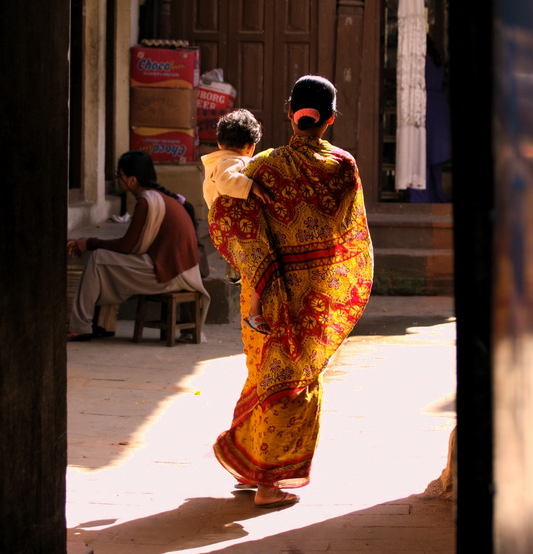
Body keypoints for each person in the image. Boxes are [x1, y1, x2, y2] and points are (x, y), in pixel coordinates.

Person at [209, 75, 374, 508]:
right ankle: (268, 482)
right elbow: (348, 236)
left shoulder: (262, 166)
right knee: (297, 381)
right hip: (313, 295)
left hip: (263, 291)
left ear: (289, 112)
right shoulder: (343, 165)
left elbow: (227, 216)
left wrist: (257, 270)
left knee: (263, 372)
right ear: (331, 119)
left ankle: (250, 467)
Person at [67, 150, 211, 341]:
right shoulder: (160, 197)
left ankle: (81, 326)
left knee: (98, 258)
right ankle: (103, 324)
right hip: (175, 270)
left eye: (120, 175)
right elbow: (133, 246)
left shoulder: (147, 201)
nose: (118, 179)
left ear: (132, 180)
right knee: (106, 259)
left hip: (170, 274)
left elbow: (128, 246)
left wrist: (90, 243)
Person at [201, 108, 272, 334]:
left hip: (227, 229)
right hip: (233, 226)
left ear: (220, 142)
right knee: (262, 263)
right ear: (251, 147)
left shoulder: (221, 160)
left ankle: (237, 274)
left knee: (252, 266)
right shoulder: (231, 163)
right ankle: (255, 312)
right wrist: (252, 186)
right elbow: (226, 182)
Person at [407, 36, 452, 203]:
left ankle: (421, 197)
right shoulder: (436, 59)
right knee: (433, 159)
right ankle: (436, 196)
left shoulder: (420, 61)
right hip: (438, 107)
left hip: (426, 107)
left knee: (421, 155)